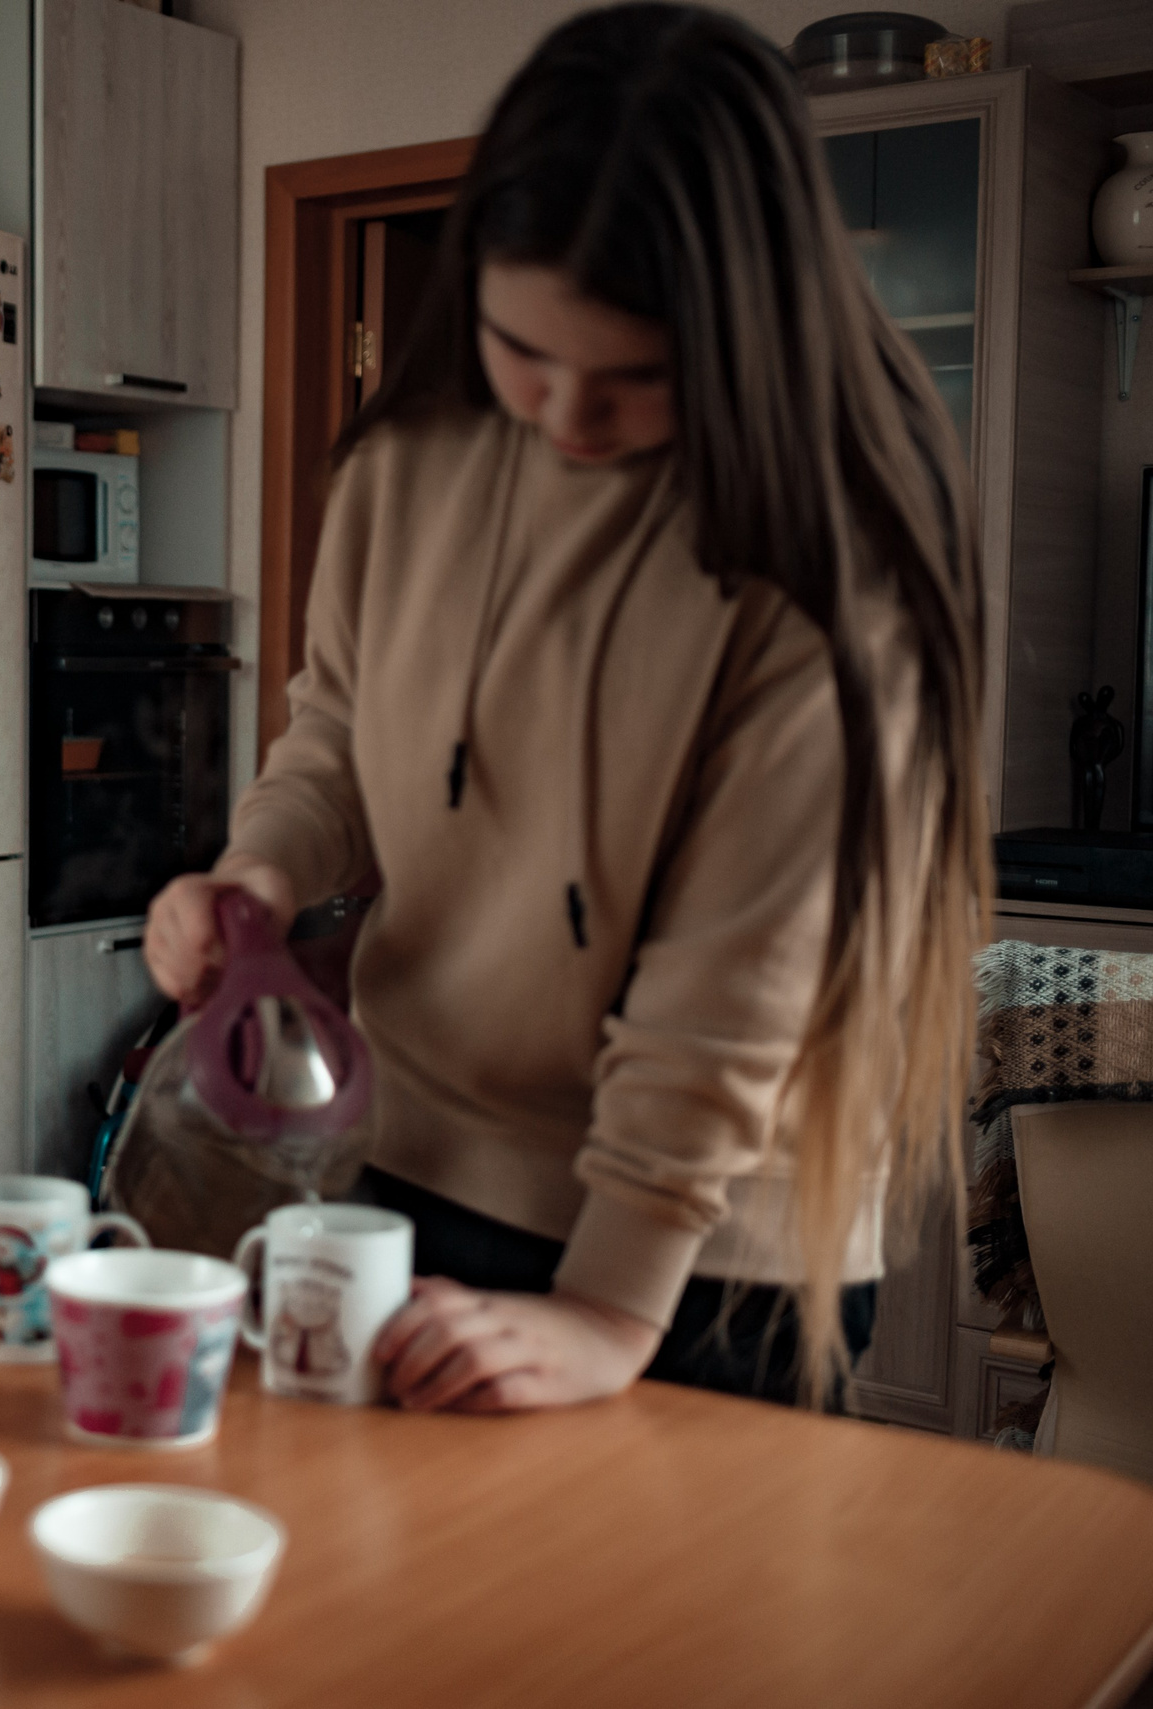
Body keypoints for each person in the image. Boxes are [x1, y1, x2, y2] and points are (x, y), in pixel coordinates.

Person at [142, 3, 985, 1413]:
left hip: (703, 1246)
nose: (569, 421)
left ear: (747, 332)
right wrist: (261, 873)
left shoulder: (830, 571)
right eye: (523, 353)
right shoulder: (403, 469)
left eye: (636, 378)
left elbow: (736, 991)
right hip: (404, 1160)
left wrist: (604, 1309)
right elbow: (337, 729)